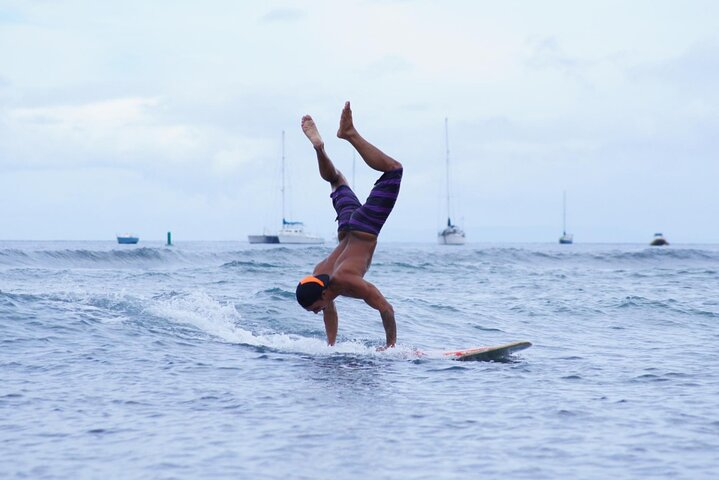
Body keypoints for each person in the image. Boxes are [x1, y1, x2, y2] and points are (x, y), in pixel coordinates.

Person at [295, 101, 403, 349]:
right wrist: (330, 347)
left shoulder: (344, 279)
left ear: (322, 294)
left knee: (394, 170)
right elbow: (329, 311)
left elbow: (385, 307)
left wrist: (390, 348)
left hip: (365, 227)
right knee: (336, 180)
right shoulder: (320, 276)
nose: (316, 312)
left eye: (314, 309)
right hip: (346, 227)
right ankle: (319, 149)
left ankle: (349, 134)